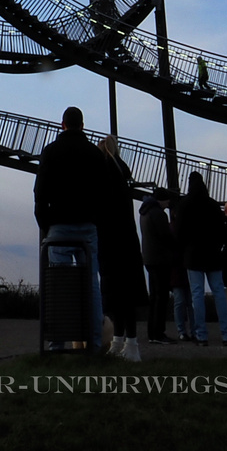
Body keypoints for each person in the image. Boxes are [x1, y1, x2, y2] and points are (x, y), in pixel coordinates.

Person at [33, 106, 113, 353]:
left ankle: (57, 343)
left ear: (62, 125)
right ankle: (96, 342)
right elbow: (104, 194)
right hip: (87, 226)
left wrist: (46, 225)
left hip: (58, 226)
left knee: (58, 283)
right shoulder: (94, 154)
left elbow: (39, 193)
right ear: (83, 125)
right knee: (91, 284)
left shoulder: (51, 151)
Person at [97, 137, 146, 361]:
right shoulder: (121, 176)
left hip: (111, 242)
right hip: (127, 243)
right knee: (125, 295)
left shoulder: (105, 175)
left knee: (116, 295)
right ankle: (123, 342)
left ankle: (129, 345)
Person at [173, 172, 227, 346]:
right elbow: (222, 231)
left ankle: (201, 335)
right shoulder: (213, 205)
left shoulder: (184, 205)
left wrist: (185, 248)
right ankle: (226, 335)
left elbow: (179, 232)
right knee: (219, 292)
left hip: (193, 254)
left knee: (196, 294)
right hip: (213, 253)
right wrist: (218, 245)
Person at [138, 187, 180, 344]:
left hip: (149, 259)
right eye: (167, 201)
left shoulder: (144, 212)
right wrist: (176, 247)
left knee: (155, 297)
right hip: (160, 260)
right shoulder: (158, 214)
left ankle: (152, 333)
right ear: (162, 199)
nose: (168, 204)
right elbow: (166, 236)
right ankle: (158, 333)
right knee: (161, 298)